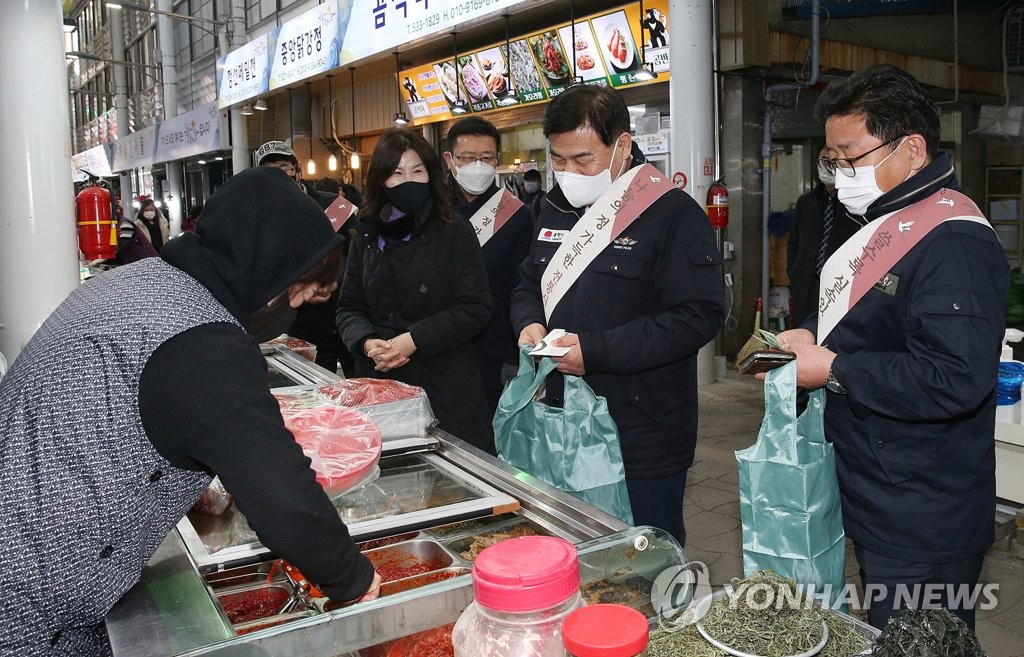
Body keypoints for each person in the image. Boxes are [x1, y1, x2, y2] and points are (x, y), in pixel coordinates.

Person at [0, 167, 380, 655]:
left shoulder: (143, 281)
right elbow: (282, 498)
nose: (297, 309)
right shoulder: (203, 341)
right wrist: (353, 579)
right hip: (29, 603)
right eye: (299, 294)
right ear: (271, 273)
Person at [772, 64, 1008, 630]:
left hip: (924, 510)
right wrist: (811, 331)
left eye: (850, 158)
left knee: (923, 640)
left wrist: (834, 368)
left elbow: (954, 377)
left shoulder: (954, 242)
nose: (837, 175)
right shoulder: (888, 218)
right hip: (878, 487)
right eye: (831, 160)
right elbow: (867, 315)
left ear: (912, 149)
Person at [510, 85, 725, 543]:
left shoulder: (671, 213)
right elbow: (528, 282)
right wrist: (528, 321)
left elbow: (699, 315)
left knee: (644, 557)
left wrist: (597, 351)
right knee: (569, 547)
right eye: (558, 160)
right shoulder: (553, 206)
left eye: (583, 159)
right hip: (559, 418)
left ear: (622, 146)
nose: (568, 173)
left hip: (639, 429)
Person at [336, 128, 494, 452]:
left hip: (447, 388)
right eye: (396, 173)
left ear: (431, 175)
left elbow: (475, 308)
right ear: (381, 179)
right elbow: (348, 307)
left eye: (417, 171)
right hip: (380, 387)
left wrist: (413, 340)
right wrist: (367, 342)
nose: (408, 180)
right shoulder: (364, 234)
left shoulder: (454, 230)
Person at [444, 117, 533, 412]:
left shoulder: (517, 214)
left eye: (486, 157)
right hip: (436, 343)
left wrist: (513, 355)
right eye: (467, 158)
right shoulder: (431, 208)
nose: (477, 165)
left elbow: (520, 286)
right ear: (450, 159)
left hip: (492, 347)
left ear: (497, 159)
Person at [256, 141, 354, 373]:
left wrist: (331, 281)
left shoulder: (336, 206)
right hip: (299, 327)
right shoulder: (262, 217)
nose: (279, 175)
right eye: (269, 170)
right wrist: (301, 286)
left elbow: (357, 254)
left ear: (297, 168)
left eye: (283, 166)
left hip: (345, 318)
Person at [787, 146, 860, 324]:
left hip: (841, 288)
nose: (827, 166)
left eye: (833, 162)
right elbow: (794, 243)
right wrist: (794, 271)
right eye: (823, 162)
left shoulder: (856, 203)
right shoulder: (806, 202)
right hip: (806, 287)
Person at [255, 140, 336, 210]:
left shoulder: (333, 205)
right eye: (268, 172)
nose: (276, 176)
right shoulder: (258, 214)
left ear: (298, 169)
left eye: (282, 168)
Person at [116, 197, 169, 264]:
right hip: (146, 259)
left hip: (162, 256)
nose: (149, 212)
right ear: (142, 211)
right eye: (146, 210)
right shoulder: (137, 224)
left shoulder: (163, 224)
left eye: (151, 210)